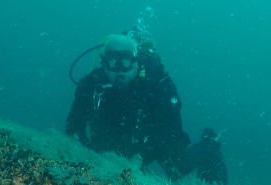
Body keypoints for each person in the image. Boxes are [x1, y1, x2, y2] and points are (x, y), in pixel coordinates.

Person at [66, 34, 190, 176]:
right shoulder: (91, 85)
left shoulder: (158, 84)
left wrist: (142, 156)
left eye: (125, 61)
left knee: (179, 163)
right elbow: (74, 125)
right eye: (113, 61)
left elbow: (172, 129)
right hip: (111, 142)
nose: (119, 69)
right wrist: (86, 154)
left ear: (136, 62)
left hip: (151, 140)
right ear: (104, 64)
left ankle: (206, 148)